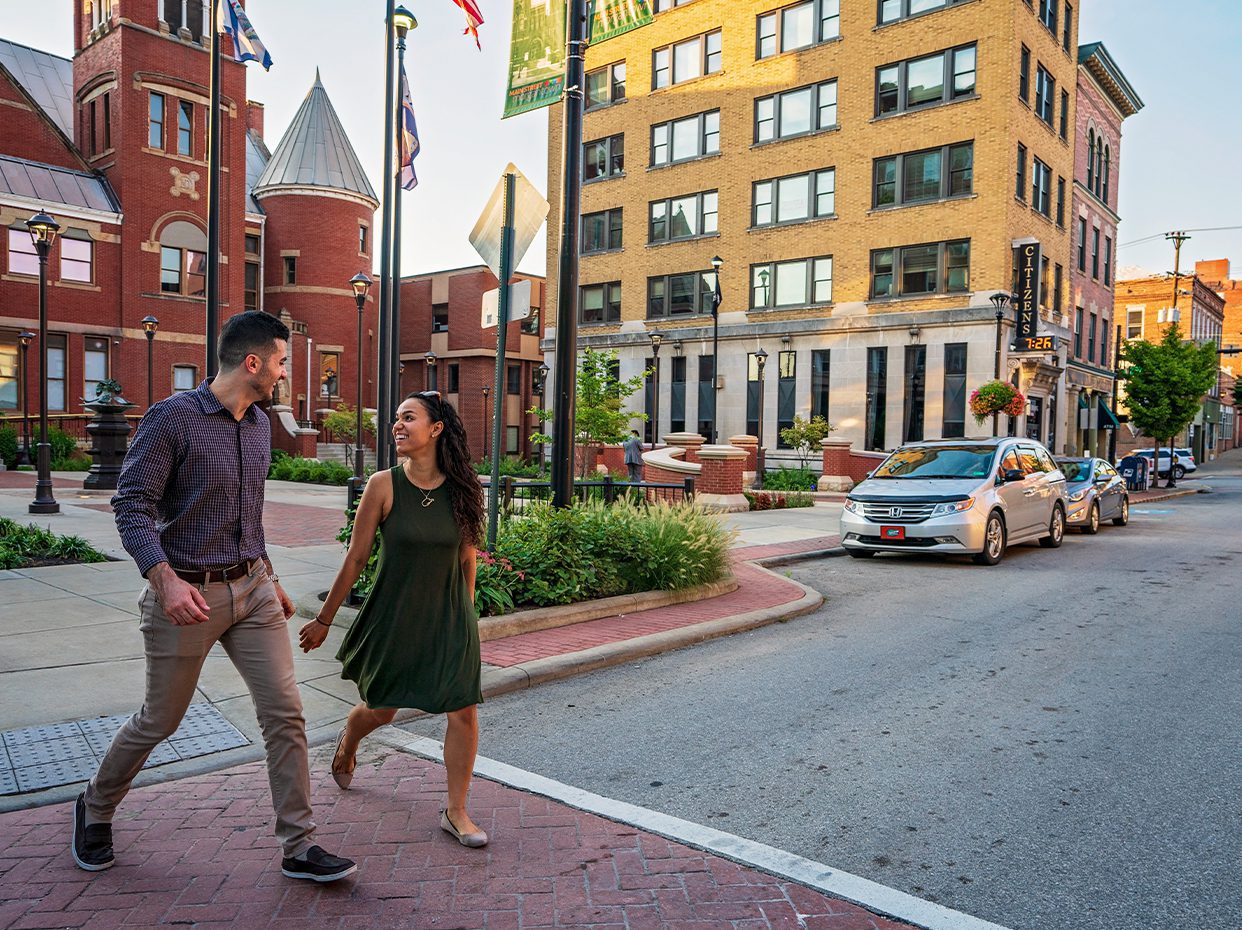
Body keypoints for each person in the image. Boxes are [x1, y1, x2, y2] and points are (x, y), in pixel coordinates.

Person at [74, 311, 356, 883]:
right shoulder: (170, 420)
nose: (284, 374)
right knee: (161, 720)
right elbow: (131, 507)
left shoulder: (257, 424)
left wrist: (270, 576)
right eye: (280, 362)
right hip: (186, 597)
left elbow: (246, 515)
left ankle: (299, 845)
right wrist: (163, 578)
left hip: (252, 590)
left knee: (285, 714)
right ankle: (95, 806)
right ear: (252, 362)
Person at [299, 391, 488, 847]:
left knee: (462, 711)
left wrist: (463, 620)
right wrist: (325, 620)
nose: (397, 426)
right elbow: (356, 558)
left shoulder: (464, 489)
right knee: (381, 709)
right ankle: (350, 739)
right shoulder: (383, 485)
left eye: (408, 417)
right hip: (395, 615)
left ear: (436, 428)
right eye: (396, 419)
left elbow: (468, 560)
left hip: (448, 618)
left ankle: (456, 810)